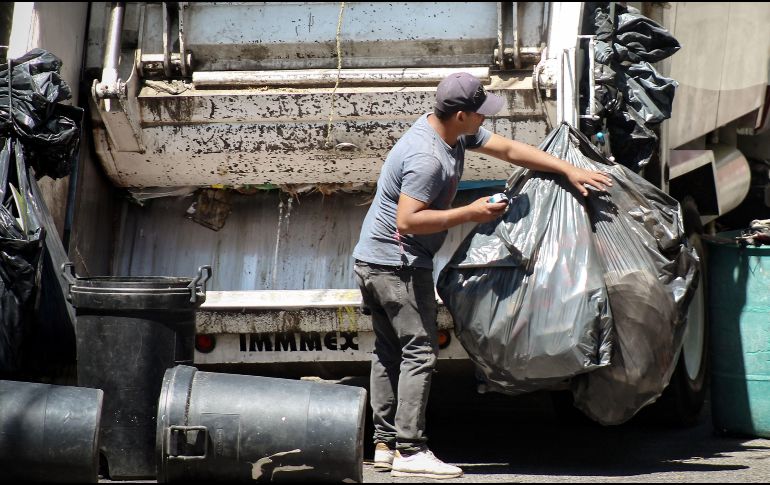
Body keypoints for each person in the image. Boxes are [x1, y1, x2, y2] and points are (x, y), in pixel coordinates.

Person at [352, 72, 612, 480]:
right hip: (396, 265)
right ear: (460, 114)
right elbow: (408, 221)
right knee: (419, 352)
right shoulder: (428, 159)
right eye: (479, 114)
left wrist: (566, 169)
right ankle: (410, 450)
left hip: (373, 260)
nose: (483, 121)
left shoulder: (448, 132)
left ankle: (384, 444)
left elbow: (508, 149)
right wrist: (471, 212)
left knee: (389, 351)